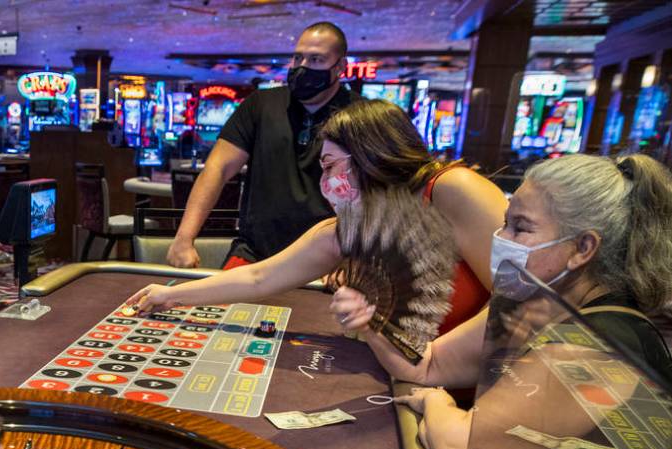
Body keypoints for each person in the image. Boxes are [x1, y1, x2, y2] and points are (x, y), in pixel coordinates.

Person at [329, 153, 672, 449]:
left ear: (583, 248)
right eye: (506, 222)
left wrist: (438, 403)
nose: (501, 238)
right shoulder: (532, 299)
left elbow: (460, 447)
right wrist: (371, 321)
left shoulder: (601, 343)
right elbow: (428, 365)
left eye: (520, 228)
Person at [128, 99, 507, 343]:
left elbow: (524, 306)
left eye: (329, 167)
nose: (326, 185)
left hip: (478, 398)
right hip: (411, 388)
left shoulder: (451, 189)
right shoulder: (349, 231)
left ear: (371, 157)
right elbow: (260, 277)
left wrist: (433, 368)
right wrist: (170, 296)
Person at [167, 21, 354, 270]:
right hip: (256, 251)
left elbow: (384, 194)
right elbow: (218, 168)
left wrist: (358, 259)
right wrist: (184, 238)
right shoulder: (261, 105)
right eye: (298, 58)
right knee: (219, 306)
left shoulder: (360, 115)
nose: (302, 67)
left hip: (330, 258)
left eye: (316, 59)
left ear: (340, 66)